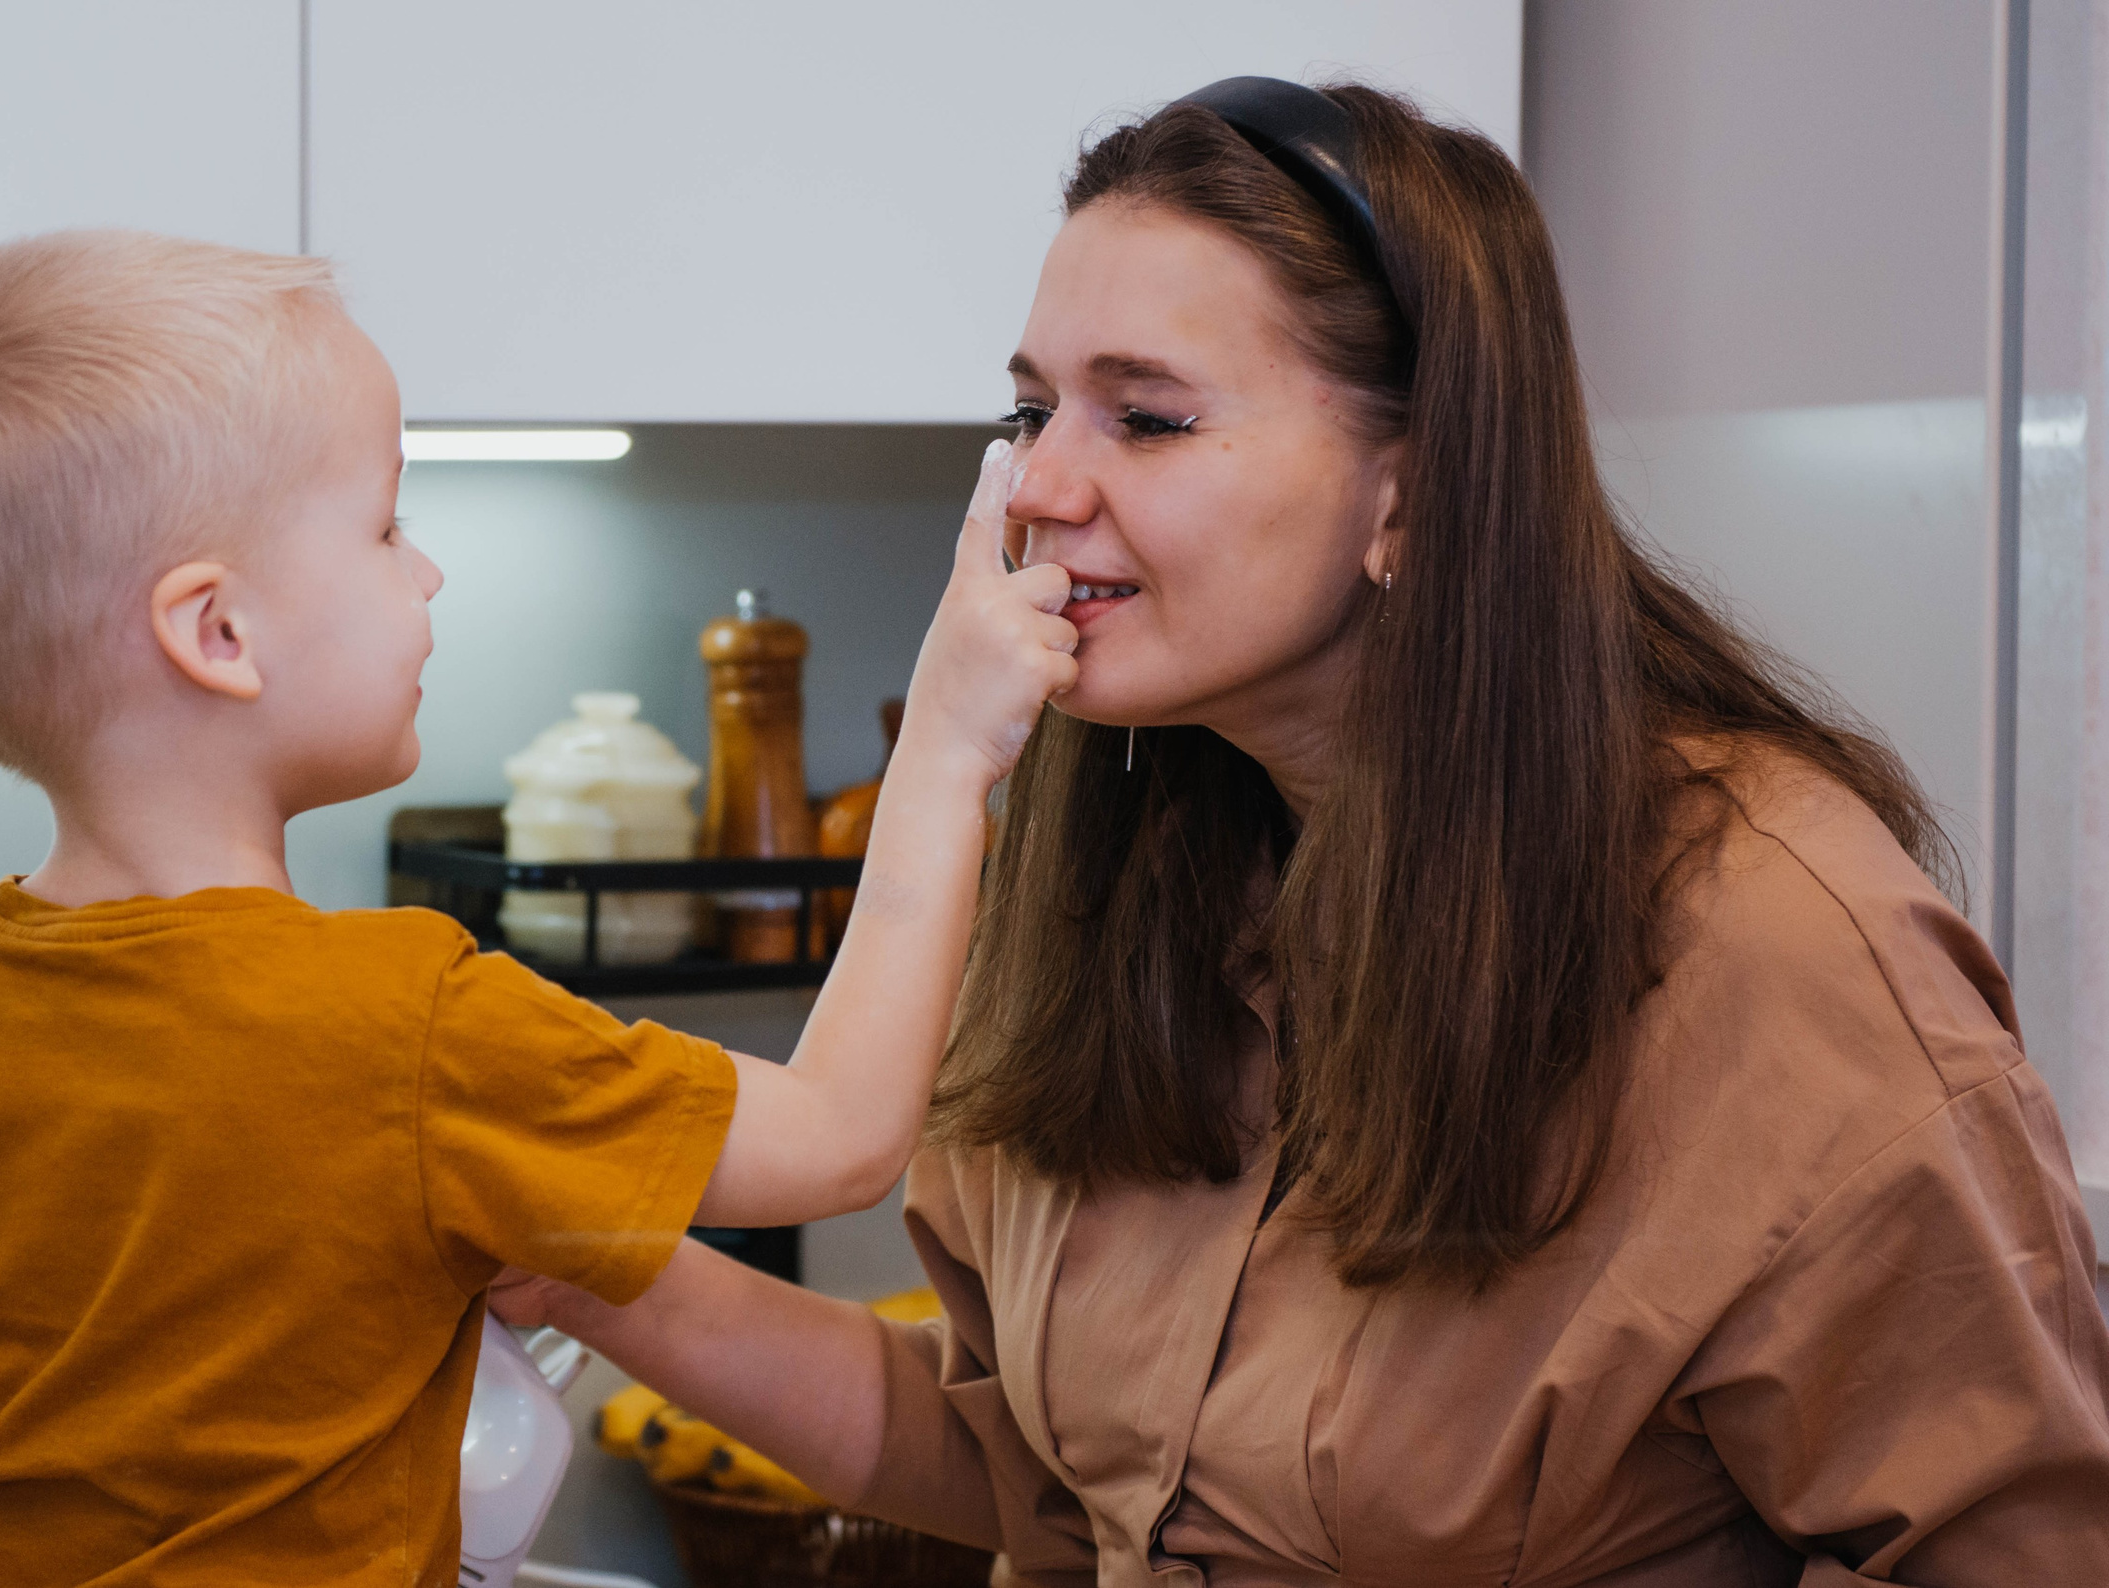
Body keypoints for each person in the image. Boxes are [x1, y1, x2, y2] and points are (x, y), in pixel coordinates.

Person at [495, 81, 2109, 1583]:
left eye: (1148, 420)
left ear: (1408, 498)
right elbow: (1043, 1469)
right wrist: (579, 1261)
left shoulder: (1777, 952)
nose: (1036, 485)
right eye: (1034, 406)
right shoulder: (1117, 869)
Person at [0, 231, 1079, 1586]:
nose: (426, 571)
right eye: (387, 522)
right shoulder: (410, 1023)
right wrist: (944, 750)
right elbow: (843, 1135)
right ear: (218, 634)